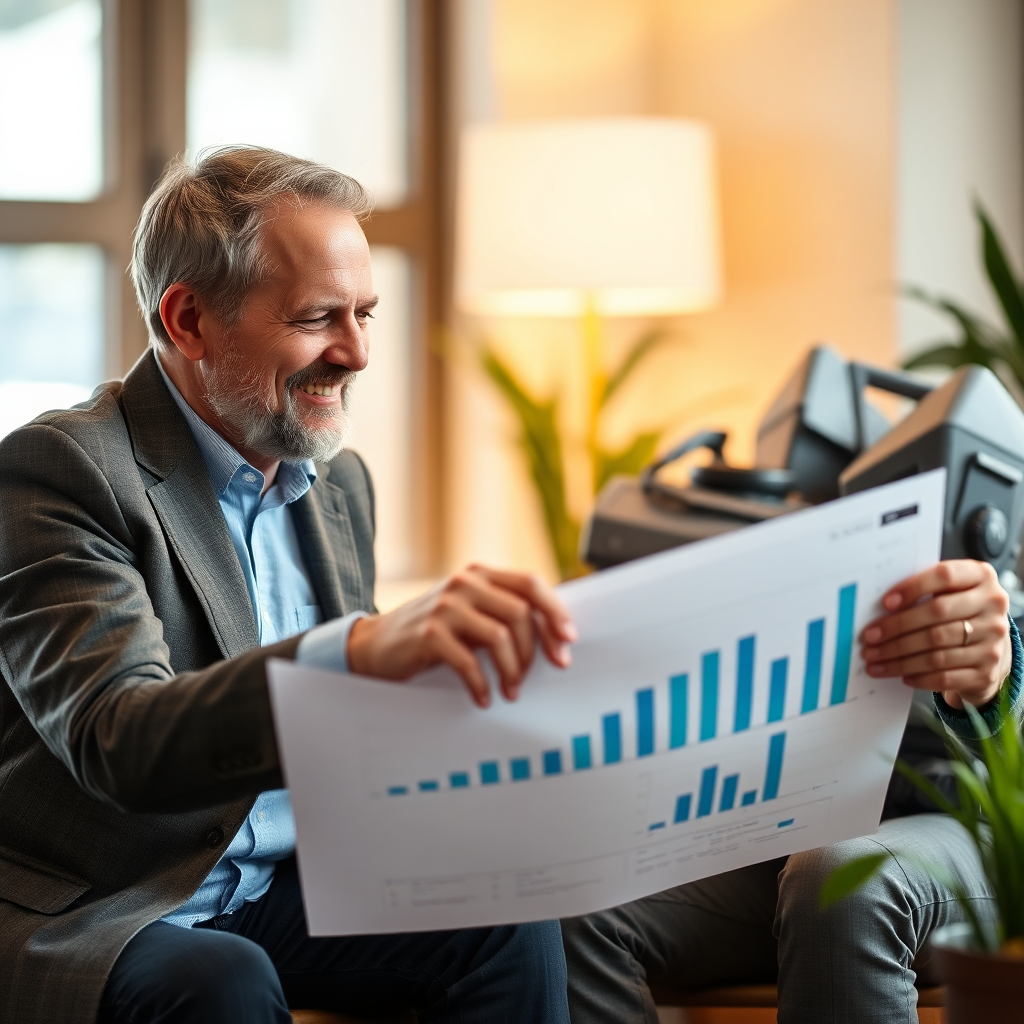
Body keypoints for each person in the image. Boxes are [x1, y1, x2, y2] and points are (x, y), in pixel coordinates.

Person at [0, 146, 578, 1024]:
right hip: (109, 899)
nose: (355, 353)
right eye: (317, 318)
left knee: (507, 913)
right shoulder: (63, 472)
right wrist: (356, 652)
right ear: (189, 320)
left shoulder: (337, 485)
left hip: (275, 881)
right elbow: (118, 738)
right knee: (220, 984)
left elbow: (366, 738)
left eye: (365, 313)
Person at [561, 563, 1023, 1024]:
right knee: (580, 901)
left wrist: (997, 685)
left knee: (845, 881)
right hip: (795, 801)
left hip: (980, 817)